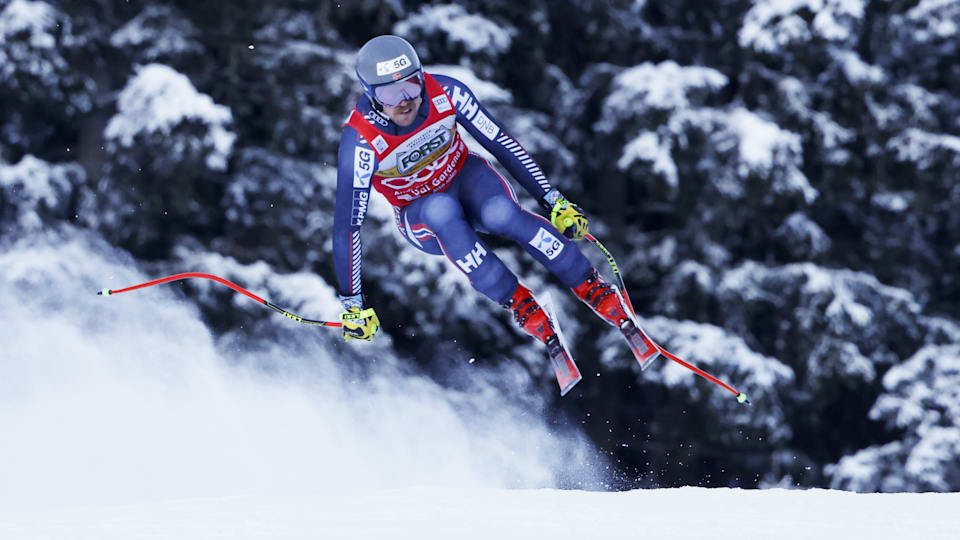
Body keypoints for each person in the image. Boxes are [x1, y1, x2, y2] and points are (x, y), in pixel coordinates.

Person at [332, 35, 634, 362]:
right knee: (441, 209)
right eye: (391, 94)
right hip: (421, 215)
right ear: (371, 95)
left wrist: (553, 200)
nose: (406, 100)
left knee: (502, 214)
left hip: (466, 180)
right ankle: (519, 302)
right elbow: (348, 226)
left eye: (412, 86)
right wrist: (352, 304)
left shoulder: (447, 93)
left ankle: (589, 283)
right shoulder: (361, 142)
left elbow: (500, 142)